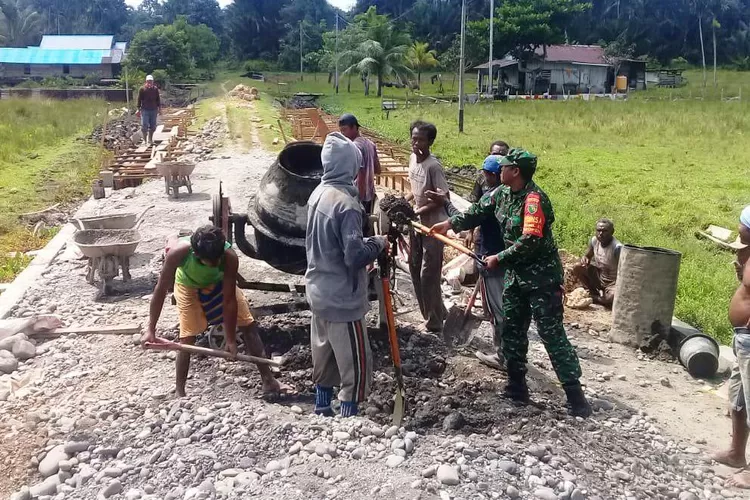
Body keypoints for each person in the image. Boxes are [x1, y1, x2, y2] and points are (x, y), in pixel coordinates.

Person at [430, 148, 592, 417]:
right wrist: (449, 224)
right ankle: (517, 389)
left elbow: (530, 241)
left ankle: (576, 399)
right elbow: (478, 212)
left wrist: (499, 258)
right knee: (512, 330)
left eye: (504, 167)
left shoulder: (533, 201)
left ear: (515, 171)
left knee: (552, 335)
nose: (499, 171)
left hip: (541, 280)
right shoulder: (501, 194)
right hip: (516, 277)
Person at [142, 225, 288, 398]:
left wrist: (231, 340)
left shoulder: (229, 257)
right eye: (209, 262)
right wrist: (151, 328)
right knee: (187, 337)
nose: (215, 264)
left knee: (248, 324)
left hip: (219, 284)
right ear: (196, 255)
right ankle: (180, 392)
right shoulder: (178, 253)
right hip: (188, 287)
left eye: (217, 260)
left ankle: (269, 380)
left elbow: (229, 300)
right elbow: (160, 290)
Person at [305, 132, 387, 418]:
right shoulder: (346, 205)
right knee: (354, 360)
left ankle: (322, 405)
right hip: (342, 297)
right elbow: (353, 256)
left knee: (323, 351)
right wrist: (378, 243)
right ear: (350, 166)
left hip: (318, 289)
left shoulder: (318, 194)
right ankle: (350, 416)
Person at [427, 154, 507, 370]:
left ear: (491, 175)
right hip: (500, 257)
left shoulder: (494, 196)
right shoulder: (513, 194)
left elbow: (468, 217)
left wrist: (446, 204)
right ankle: (508, 354)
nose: (484, 179)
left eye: (486, 175)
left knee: (499, 311)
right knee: (501, 307)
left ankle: (505, 357)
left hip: (494, 259)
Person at [712, 206, 750, 488]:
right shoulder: (747, 252)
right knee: (738, 398)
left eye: (743, 228)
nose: (739, 231)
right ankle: (737, 453)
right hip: (742, 339)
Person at [405, 121, 450, 333]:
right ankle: (437, 312)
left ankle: (434, 321)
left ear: (430, 141)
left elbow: (443, 198)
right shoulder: (413, 160)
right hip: (417, 225)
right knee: (413, 266)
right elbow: (415, 190)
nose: (415, 143)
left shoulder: (434, 166)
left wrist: (418, 211)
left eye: (421, 139)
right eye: (414, 138)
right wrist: (405, 202)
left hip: (434, 227)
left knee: (429, 274)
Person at [571, 219, 623, 308]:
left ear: (612, 232)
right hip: (599, 276)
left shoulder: (617, 248)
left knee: (612, 297)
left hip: (613, 282)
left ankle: (595, 298)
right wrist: (585, 259)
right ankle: (594, 292)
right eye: (598, 230)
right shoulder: (595, 241)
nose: (601, 234)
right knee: (577, 267)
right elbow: (587, 256)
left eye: (605, 231)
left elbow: (624, 272)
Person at [338, 113, 382, 219]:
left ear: (354, 127)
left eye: (344, 130)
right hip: (370, 193)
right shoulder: (370, 144)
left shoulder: (354, 146)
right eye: (341, 131)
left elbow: (357, 173)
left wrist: (357, 198)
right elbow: (378, 170)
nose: (342, 134)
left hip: (358, 195)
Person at [137, 75, 161, 145]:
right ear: (146, 81)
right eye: (148, 81)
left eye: (151, 81)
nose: (149, 83)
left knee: (153, 126)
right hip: (145, 110)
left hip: (154, 110)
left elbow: (158, 99)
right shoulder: (142, 89)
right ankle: (145, 140)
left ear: (153, 82)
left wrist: (160, 108)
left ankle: (150, 139)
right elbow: (139, 100)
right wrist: (138, 109)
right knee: (144, 125)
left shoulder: (155, 89)